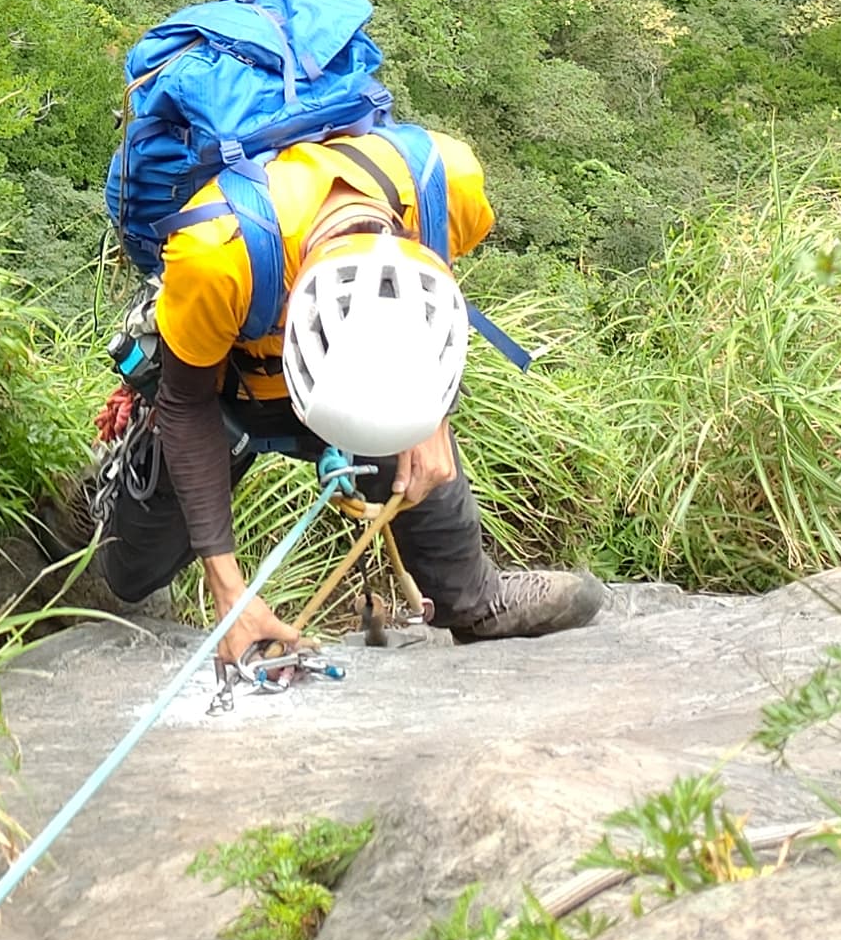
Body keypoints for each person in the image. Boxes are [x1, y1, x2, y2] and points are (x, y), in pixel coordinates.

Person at [91, 124, 604, 655]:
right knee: (129, 572)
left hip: (380, 362)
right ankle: (97, 493)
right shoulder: (215, 251)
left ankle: (477, 599)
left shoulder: (444, 180)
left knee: (419, 468)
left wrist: (430, 420)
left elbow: (437, 289)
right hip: (224, 389)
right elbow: (185, 402)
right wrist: (231, 596)